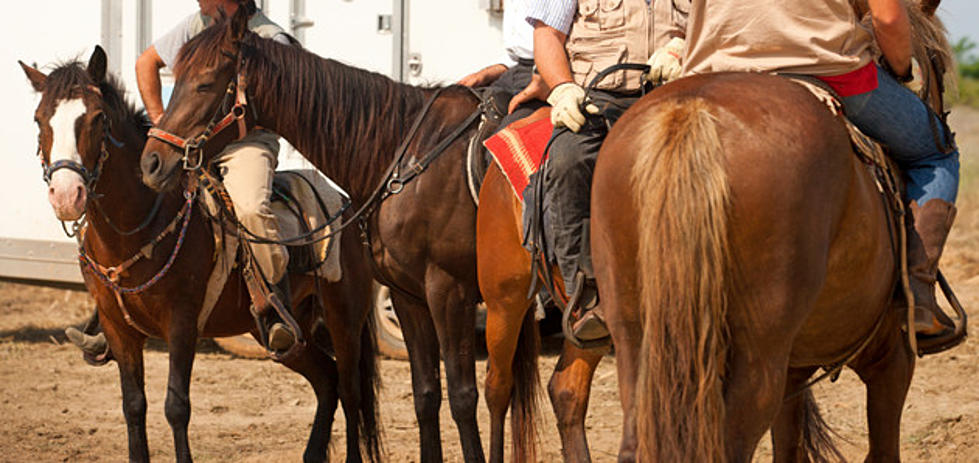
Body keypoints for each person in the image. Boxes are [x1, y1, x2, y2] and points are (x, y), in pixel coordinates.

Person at [652, 0, 959, 341]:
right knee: (936, 151)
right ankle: (916, 292)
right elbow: (887, 18)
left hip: (712, 71)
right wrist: (905, 73)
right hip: (827, 69)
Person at [136, 0, 300, 353]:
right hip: (196, 141)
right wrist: (161, 121)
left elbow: (284, 107)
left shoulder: (272, 39)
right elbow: (146, 63)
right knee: (142, 198)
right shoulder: (196, 23)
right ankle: (113, 313)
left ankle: (276, 307)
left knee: (251, 208)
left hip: (247, 143)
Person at [525, 0, 675, 342]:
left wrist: (682, 51)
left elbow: (717, 24)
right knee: (568, 159)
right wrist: (563, 88)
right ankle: (587, 291)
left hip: (673, 90)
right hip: (597, 98)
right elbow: (548, 34)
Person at [458, 0, 548, 123]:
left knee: (506, 133)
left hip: (545, 75)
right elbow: (515, 55)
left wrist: (543, 77)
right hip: (517, 70)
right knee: (462, 107)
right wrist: (483, 75)